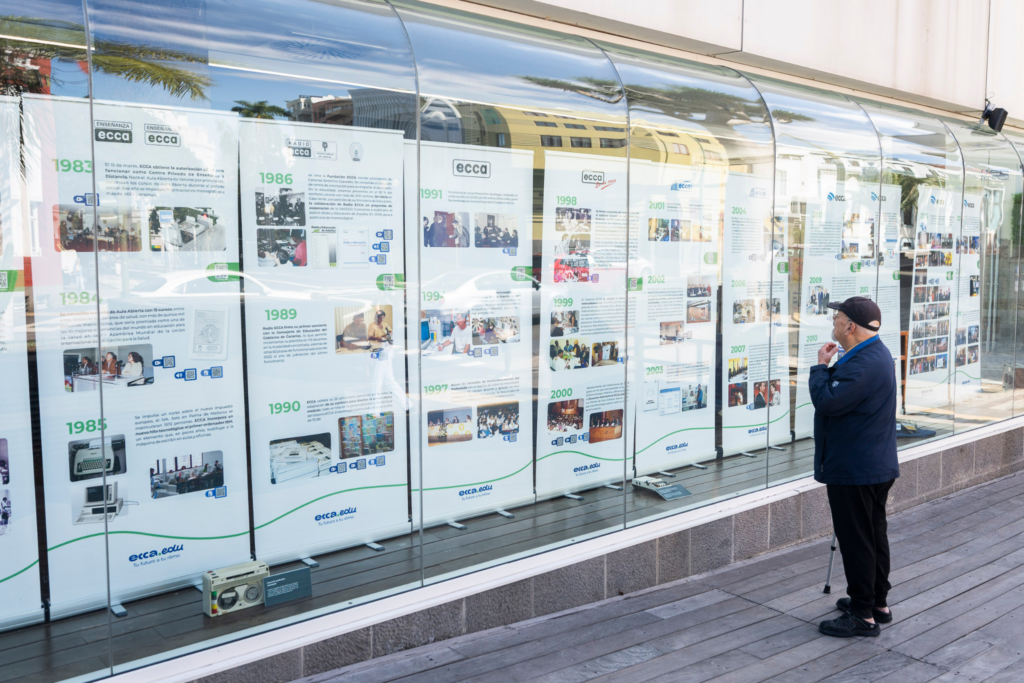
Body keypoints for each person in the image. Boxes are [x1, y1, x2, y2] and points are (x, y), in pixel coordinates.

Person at [812, 296, 898, 638]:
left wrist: (820, 367)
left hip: (856, 468)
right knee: (872, 534)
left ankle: (863, 614)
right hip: (870, 463)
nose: (833, 323)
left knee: (857, 540)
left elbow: (828, 402)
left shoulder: (864, 363)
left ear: (850, 327)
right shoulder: (873, 353)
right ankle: (877, 603)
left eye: (837, 318)